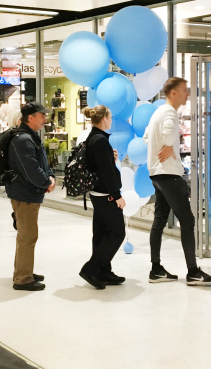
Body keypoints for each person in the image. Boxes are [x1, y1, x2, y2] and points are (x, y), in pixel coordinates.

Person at [144, 77, 211, 286]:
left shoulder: (157, 111)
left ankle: (156, 269)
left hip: (157, 174)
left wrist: (165, 147)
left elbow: (147, 136)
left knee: (159, 220)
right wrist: (168, 146)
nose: (188, 94)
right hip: (169, 174)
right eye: (184, 90)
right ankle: (193, 271)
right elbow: (166, 135)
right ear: (173, 92)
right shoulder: (168, 112)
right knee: (187, 220)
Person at [6, 102, 54, 291]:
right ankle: (23, 279)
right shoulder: (23, 139)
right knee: (28, 236)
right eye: (41, 116)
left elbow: (41, 162)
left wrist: (48, 177)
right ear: (30, 117)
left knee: (26, 235)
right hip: (24, 194)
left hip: (28, 192)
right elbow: (31, 169)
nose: (45, 119)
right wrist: (46, 182)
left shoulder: (30, 137)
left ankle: (23, 270)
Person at [78, 105, 127, 289]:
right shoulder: (99, 140)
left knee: (101, 233)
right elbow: (106, 172)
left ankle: (103, 271)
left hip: (97, 193)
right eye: (111, 117)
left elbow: (100, 166)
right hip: (105, 194)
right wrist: (117, 195)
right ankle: (91, 268)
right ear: (104, 118)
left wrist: (110, 158)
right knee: (116, 232)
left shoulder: (94, 138)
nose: (112, 120)